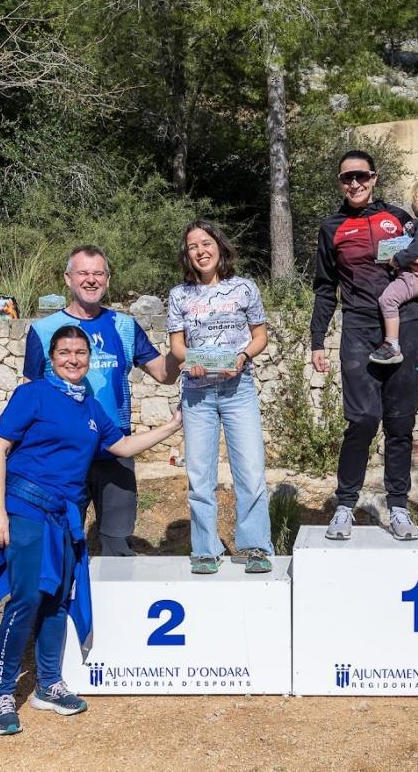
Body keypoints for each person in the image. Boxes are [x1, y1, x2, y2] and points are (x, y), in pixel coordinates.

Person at [0, 324, 182, 736]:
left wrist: (172, 426)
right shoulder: (32, 394)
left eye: (80, 353)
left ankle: (48, 685)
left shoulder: (90, 407)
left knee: (58, 598)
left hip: (66, 515)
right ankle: (1, 693)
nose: (73, 359)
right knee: (26, 598)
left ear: (89, 359)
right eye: (64, 352)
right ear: (51, 358)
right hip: (26, 507)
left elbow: (121, 446)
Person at [310, 150, 418, 541]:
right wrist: (317, 340)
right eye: (346, 178)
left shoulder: (399, 218)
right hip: (359, 328)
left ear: (374, 177)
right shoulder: (332, 227)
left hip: (406, 326)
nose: (354, 184)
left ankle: (398, 506)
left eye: (361, 176)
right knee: (362, 419)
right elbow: (324, 288)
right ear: (340, 182)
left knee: (400, 423)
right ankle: (345, 506)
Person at [23, 245, 181, 556]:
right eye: (83, 273)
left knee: (117, 544)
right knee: (60, 544)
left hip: (116, 450)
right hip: (62, 453)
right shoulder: (42, 331)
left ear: (108, 280)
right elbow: (29, 396)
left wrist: (180, 350)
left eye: (98, 273)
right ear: (68, 278)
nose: (91, 279)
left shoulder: (124, 326)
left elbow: (164, 374)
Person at [167, 219, 274, 574]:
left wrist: (242, 356)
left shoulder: (244, 288)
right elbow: (177, 346)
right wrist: (190, 361)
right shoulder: (178, 295)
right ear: (187, 255)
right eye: (192, 246)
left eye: (206, 243)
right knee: (199, 476)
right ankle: (205, 549)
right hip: (197, 395)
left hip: (238, 390)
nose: (200, 251)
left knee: (251, 472)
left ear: (219, 246)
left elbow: (260, 337)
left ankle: (255, 546)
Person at [368, 174, 418, 365]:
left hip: (416, 276)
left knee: (388, 299)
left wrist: (396, 260)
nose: (412, 204)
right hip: (417, 277)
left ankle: (392, 345)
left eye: (414, 199)